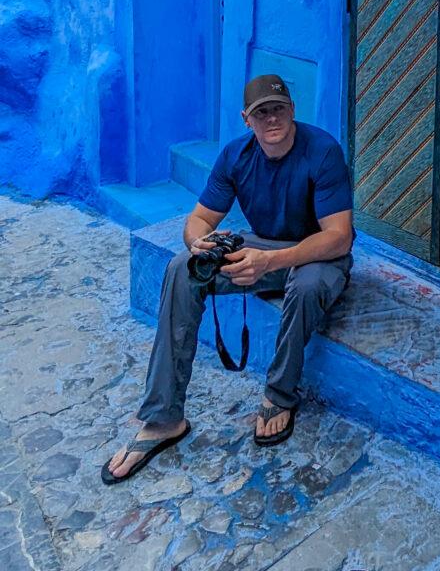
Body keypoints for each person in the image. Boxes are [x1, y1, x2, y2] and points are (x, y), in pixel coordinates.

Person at [102, 74, 353, 484]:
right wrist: (200, 243)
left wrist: (270, 261)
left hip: (317, 253)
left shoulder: (322, 151)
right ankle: (163, 417)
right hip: (263, 248)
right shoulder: (235, 155)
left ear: (292, 110)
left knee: (305, 287)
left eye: (279, 109)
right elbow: (200, 218)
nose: (272, 118)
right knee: (183, 267)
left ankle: (279, 394)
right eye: (261, 112)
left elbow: (339, 236)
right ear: (246, 119)